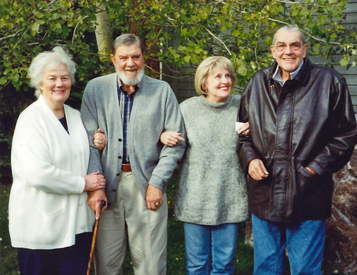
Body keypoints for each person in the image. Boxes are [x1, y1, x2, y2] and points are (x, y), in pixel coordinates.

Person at [237, 24, 357, 274]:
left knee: (305, 270)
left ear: (304, 49)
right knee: (266, 268)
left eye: (294, 45)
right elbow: (242, 134)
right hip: (264, 195)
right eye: (281, 45)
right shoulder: (258, 83)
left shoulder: (329, 83)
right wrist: (250, 160)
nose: (287, 51)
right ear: (273, 50)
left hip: (307, 195)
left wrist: (314, 168)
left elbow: (346, 135)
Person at [80, 33, 186, 275]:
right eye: (124, 57)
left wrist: (157, 183)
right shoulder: (96, 90)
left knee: (151, 265)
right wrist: (96, 186)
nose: (130, 63)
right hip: (108, 186)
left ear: (143, 58)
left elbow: (176, 142)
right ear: (113, 59)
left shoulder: (162, 91)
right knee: (106, 265)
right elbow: (87, 142)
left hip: (147, 186)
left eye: (136, 57)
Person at [8, 47, 107, 275]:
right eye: (51, 78)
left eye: (64, 78)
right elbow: (38, 173)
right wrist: (83, 184)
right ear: (40, 83)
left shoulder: (75, 116)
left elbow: (83, 153)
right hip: (41, 230)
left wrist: (98, 142)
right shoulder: (30, 119)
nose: (59, 84)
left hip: (76, 228)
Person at [161, 56, 249, 274]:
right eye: (218, 76)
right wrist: (163, 135)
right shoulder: (187, 109)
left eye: (228, 75)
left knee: (225, 264)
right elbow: (168, 140)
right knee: (196, 265)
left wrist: (253, 129)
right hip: (195, 198)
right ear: (204, 83)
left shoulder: (243, 106)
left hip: (230, 197)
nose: (225, 80)